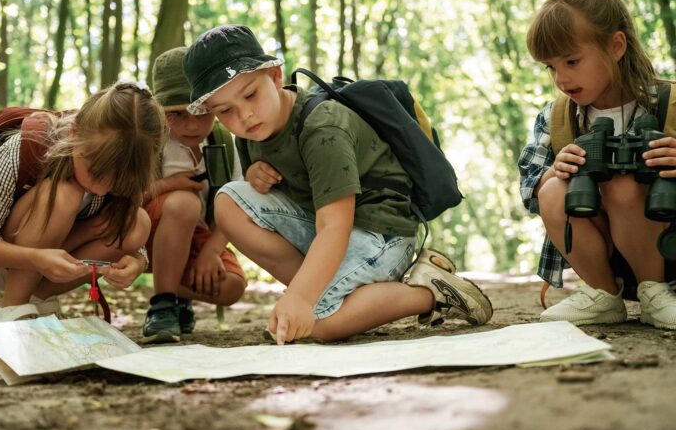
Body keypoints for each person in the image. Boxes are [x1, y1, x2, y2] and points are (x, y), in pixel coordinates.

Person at [182, 24, 492, 345]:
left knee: (321, 323)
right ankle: (327, 296)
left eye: (250, 95)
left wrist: (302, 299)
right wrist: (254, 176)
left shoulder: (323, 127)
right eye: (225, 111)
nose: (244, 115)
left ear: (275, 76)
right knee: (229, 201)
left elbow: (334, 225)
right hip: (326, 231)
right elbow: (289, 206)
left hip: (381, 232)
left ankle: (429, 290)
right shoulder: (249, 136)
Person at [0, 82, 163, 323]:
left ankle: (39, 301)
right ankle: (12, 310)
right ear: (74, 132)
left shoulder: (126, 163)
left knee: (138, 222)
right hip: (1, 261)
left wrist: (137, 261)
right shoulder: (24, 149)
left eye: (120, 179)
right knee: (64, 193)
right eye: (96, 170)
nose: (105, 186)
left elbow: (134, 240)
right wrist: (36, 259)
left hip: (54, 272)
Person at [518, 0, 676, 329]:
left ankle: (655, 294)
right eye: (551, 66)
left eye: (572, 61)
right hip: (603, 251)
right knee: (553, 190)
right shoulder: (558, 117)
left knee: (624, 185)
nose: (561, 78)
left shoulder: (669, 103)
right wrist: (555, 171)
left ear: (616, 46)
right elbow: (529, 191)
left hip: (666, 248)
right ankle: (604, 295)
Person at [142, 47, 247, 343]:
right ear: (159, 113)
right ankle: (163, 304)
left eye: (201, 112)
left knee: (231, 286)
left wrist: (212, 251)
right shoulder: (150, 143)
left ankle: (176, 293)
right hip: (143, 232)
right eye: (176, 114)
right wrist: (168, 184)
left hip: (196, 236)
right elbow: (123, 200)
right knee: (184, 202)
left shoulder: (225, 143)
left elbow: (237, 204)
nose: (191, 124)